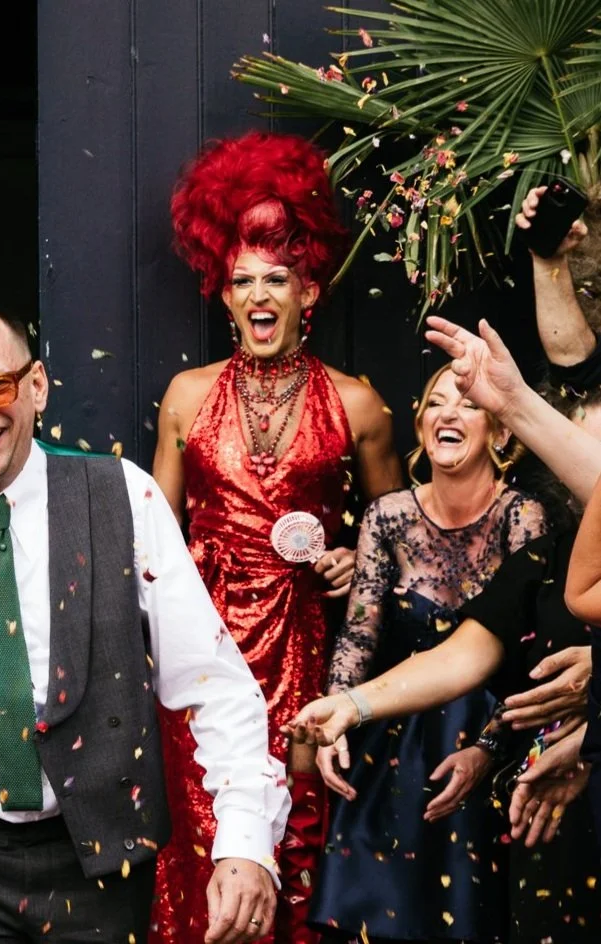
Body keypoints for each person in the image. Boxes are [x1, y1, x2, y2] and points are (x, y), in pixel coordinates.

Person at [0, 300, 289, 944]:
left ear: (36, 385)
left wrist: (243, 838)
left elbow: (213, 683)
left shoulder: (124, 495)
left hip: (102, 861)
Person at [151, 131, 403, 944]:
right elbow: (150, 542)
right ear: (222, 295)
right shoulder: (185, 397)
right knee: (201, 836)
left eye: (276, 278)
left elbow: (403, 540)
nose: (259, 293)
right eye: (241, 280)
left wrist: (350, 560)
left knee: (297, 840)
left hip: (305, 651)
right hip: (202, 643)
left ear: (307, 290)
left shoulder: (356, 404)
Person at [289, 315, 601, 938]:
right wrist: (351, 702)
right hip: (536, 783)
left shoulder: (526, 522)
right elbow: (467, 650)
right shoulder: (548, 558)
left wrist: (495, 744)